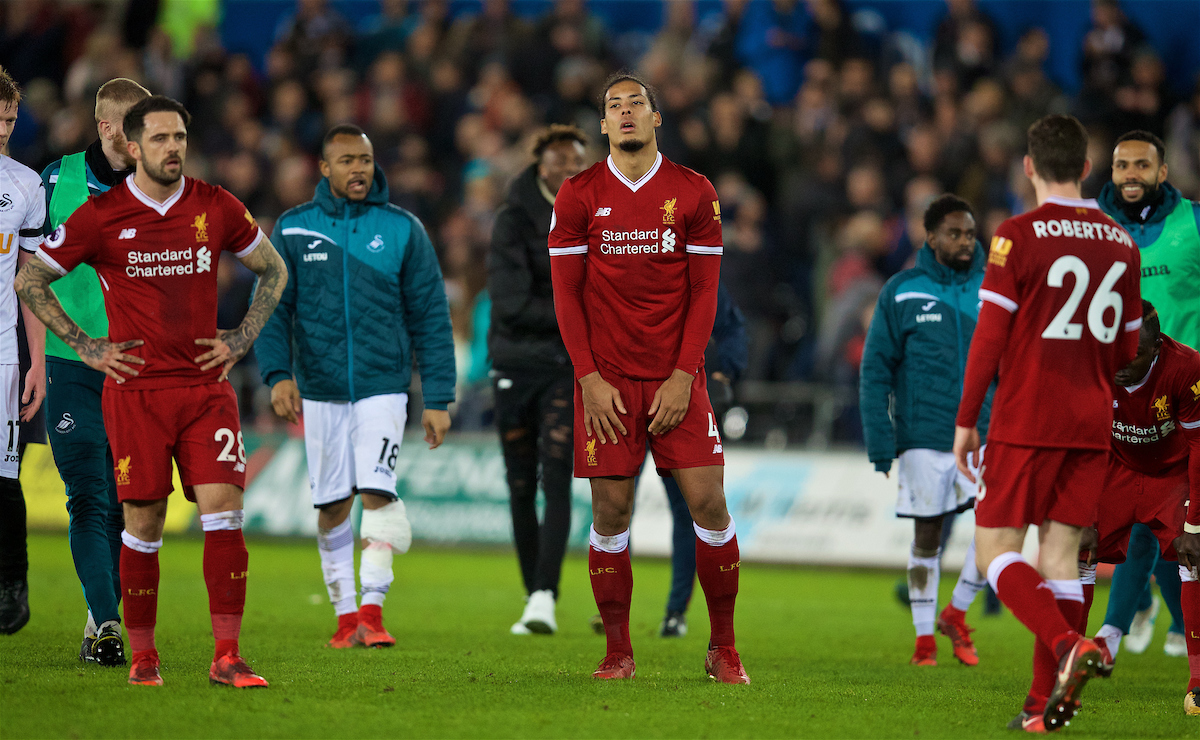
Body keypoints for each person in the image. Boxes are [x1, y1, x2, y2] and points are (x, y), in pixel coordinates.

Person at [15, 95, 288, 688]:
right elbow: (30, 276)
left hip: (205, 389)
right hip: (136, 392)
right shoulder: (103, 214)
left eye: (181, 137)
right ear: (133, 147)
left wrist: (242, 338)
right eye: (161, 138)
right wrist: (84, 344)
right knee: (143, 520)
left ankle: (228, 656)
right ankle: (142, 657)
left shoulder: (215, 205)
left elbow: (274, 268)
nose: (174, 148)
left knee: (225, 513)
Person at [549, 71, 748, 684]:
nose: (627, 112)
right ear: (603, 126)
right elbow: (567, 293)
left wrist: (685, 375)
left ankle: (723, 648)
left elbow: (705, 291)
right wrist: (587, 378)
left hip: (677, 380)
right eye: (614, 106)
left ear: (656, 118)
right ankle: (617, 653)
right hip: (606, 385)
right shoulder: (578, 195)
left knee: (710, 505)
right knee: (611, 515)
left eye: (637, 103)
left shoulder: (693, 193)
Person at [953, 114, 1142, 732]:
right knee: (1062, 557)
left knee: (995, 552)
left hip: (1027, 416)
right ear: (1087, 169)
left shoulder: (1017, 234)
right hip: (1092, 420)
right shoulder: (1121, 241)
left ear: (1028, 167)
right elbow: (1127, 351)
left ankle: (1068, 646)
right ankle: (1042, 708)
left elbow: (990, 337)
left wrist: (966, 421)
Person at [256, 123, 455, 649]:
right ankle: (345, 617)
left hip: (383, 386)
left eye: (364, 160)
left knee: (378, 492)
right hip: (319, 389)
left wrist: (438, 398)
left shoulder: (402, 229)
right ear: (324, 169)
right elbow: (273, 310)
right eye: (346, 161)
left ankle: (372, 610)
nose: (358, 169)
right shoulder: (294, 229)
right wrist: (278, 375)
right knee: (332, 506)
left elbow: (431, 316)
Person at [39, 77, 151, 666]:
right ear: (106, 128)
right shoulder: (56, 184)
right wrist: (60, 346)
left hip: (135, 369)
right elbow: (26, 277)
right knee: (87, 495)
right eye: (136, 125)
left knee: (122, 502)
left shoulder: (160, 188)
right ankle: (109, 625)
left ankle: (96, 615)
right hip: (71, 364)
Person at [860, 194, 990, 667]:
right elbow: (875, 369)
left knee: (999, 534)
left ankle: (955, 613)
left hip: (984, 433)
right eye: (954, 233)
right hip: (924, 435)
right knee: (927, 538)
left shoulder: (993, 287)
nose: (964, 241)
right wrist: (880, 441)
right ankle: (924, 641)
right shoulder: (902, 290)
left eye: (970, 233)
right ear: (930, 237)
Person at [1095, 129, 1200, 657]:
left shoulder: (1195, 224)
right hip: (1116, 391)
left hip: (1186, 392)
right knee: (1152, 514)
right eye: (1121, 166)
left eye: (1142, 165)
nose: (1130, 174)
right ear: (1110, 173)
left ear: (1162, 172)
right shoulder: (1091, 227)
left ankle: (1123, 626)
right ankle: (1156, 619)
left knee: (1163, 514)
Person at [1074, 300, 1200, 716]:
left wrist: (1195, 525)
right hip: (1117, 467)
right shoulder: (1088, 363)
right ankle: (1068, 661)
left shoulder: (1187, 368)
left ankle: (1197, 684)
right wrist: (1086, 516)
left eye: (1137, 355)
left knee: (1194, 558)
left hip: (1173, 471)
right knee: (1079, 548)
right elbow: (1081, 444)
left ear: (1158, 347)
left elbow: (1199, 445)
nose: (1123, 364)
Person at [487, 124, 587, 636]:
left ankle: (545, 595)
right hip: (514, 365)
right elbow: (508, 304)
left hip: (563, 368)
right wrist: (578, 312)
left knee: (557, 474)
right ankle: (535, 596)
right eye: (559, 160)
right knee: (521, 485)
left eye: (577, 161)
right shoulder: (511, 220)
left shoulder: (598, 217)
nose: (568, 169)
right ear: (539, 164)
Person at [658, 282, 748, 639]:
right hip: (629, 392)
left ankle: (676, 610)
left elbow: (730, 326)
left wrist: (723, 373)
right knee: (616, 507)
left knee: (687, 510)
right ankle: (619, 606)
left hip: (681, 402)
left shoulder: (695, 269)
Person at [0, 67, 48, 636]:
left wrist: (37, 359)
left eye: (10, 119)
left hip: (3, 357)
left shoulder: (26, 186)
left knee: (3, 478)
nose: (5, 128)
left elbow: (29, 280)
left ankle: (12, 583)